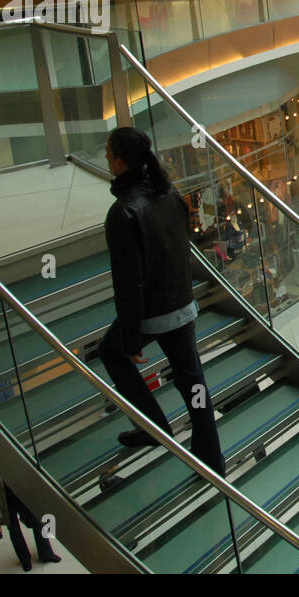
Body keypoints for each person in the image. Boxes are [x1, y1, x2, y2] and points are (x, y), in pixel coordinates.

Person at [99, 127, 226, 475]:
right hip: (181, 304)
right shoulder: (168, 192)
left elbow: (128, 280)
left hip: (153, 311)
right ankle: (212, 460)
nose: (106, 159)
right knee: (193, 381)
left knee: (110, 352)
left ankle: (152, 426)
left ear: (121, 162)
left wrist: (130, 335)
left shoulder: (123, 212)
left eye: (109, 154)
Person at [0, 467, 61, 572]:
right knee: (14, 531)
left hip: (21, 496)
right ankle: (25, 559)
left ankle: (46, 554)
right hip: (4, 503)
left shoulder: (13, 456)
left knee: (37, 522)